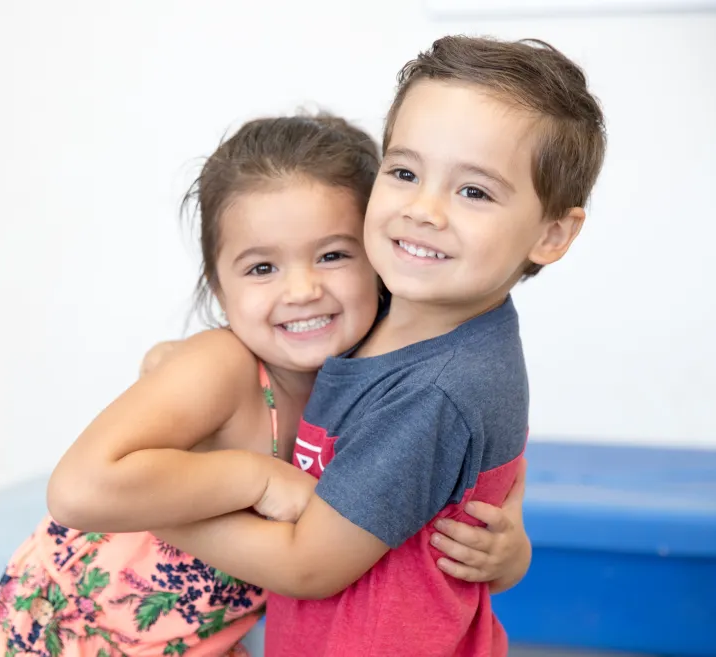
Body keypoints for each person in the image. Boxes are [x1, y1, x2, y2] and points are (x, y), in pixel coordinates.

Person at [0, 112, 532, 657]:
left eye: (333, 255)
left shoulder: (389, 386)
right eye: (262, 268)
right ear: (219, 288)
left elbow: (486, 493)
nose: (302, 290)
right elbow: (76, 492)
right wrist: (258, 478)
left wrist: (511, 555)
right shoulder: (222, 367)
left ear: (380, 258)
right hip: (64, 635)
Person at [151, 36, 608, 657]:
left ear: (552, 233)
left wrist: (158, 515)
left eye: (473, 191)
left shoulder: (437, 390)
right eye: (405, 173)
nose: (424, 210)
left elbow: (308, 565)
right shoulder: (389, 310)